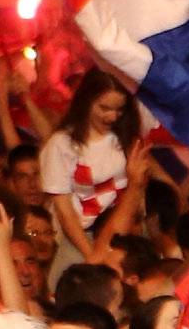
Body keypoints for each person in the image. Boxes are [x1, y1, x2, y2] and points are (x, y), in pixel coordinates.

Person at [39, 71, 140, 267]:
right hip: (82, 236)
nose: (112, 116)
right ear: (86, 102)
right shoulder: (62, 144)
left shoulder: (125, 136)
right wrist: (92, 256)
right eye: (104, 108)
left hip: (125, 233)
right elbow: (65, 212)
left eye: (119, 109)